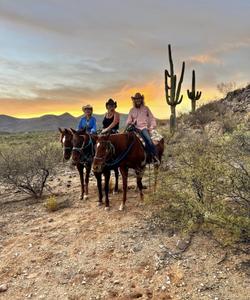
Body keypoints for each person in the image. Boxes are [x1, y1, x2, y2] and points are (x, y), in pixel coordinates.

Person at [126, 92, 159, 164]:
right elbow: (128, 120)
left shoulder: (146, 108)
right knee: (126, 140)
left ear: (141, 100)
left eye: (139, 99)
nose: (137, 100)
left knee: (148, 140)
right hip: (134, 128)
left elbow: (151, 118)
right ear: (134, 100)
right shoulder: (132, 110)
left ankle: (154, 157)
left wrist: (151, 127)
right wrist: (131, 123)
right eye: (136, 99)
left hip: (143, 128)